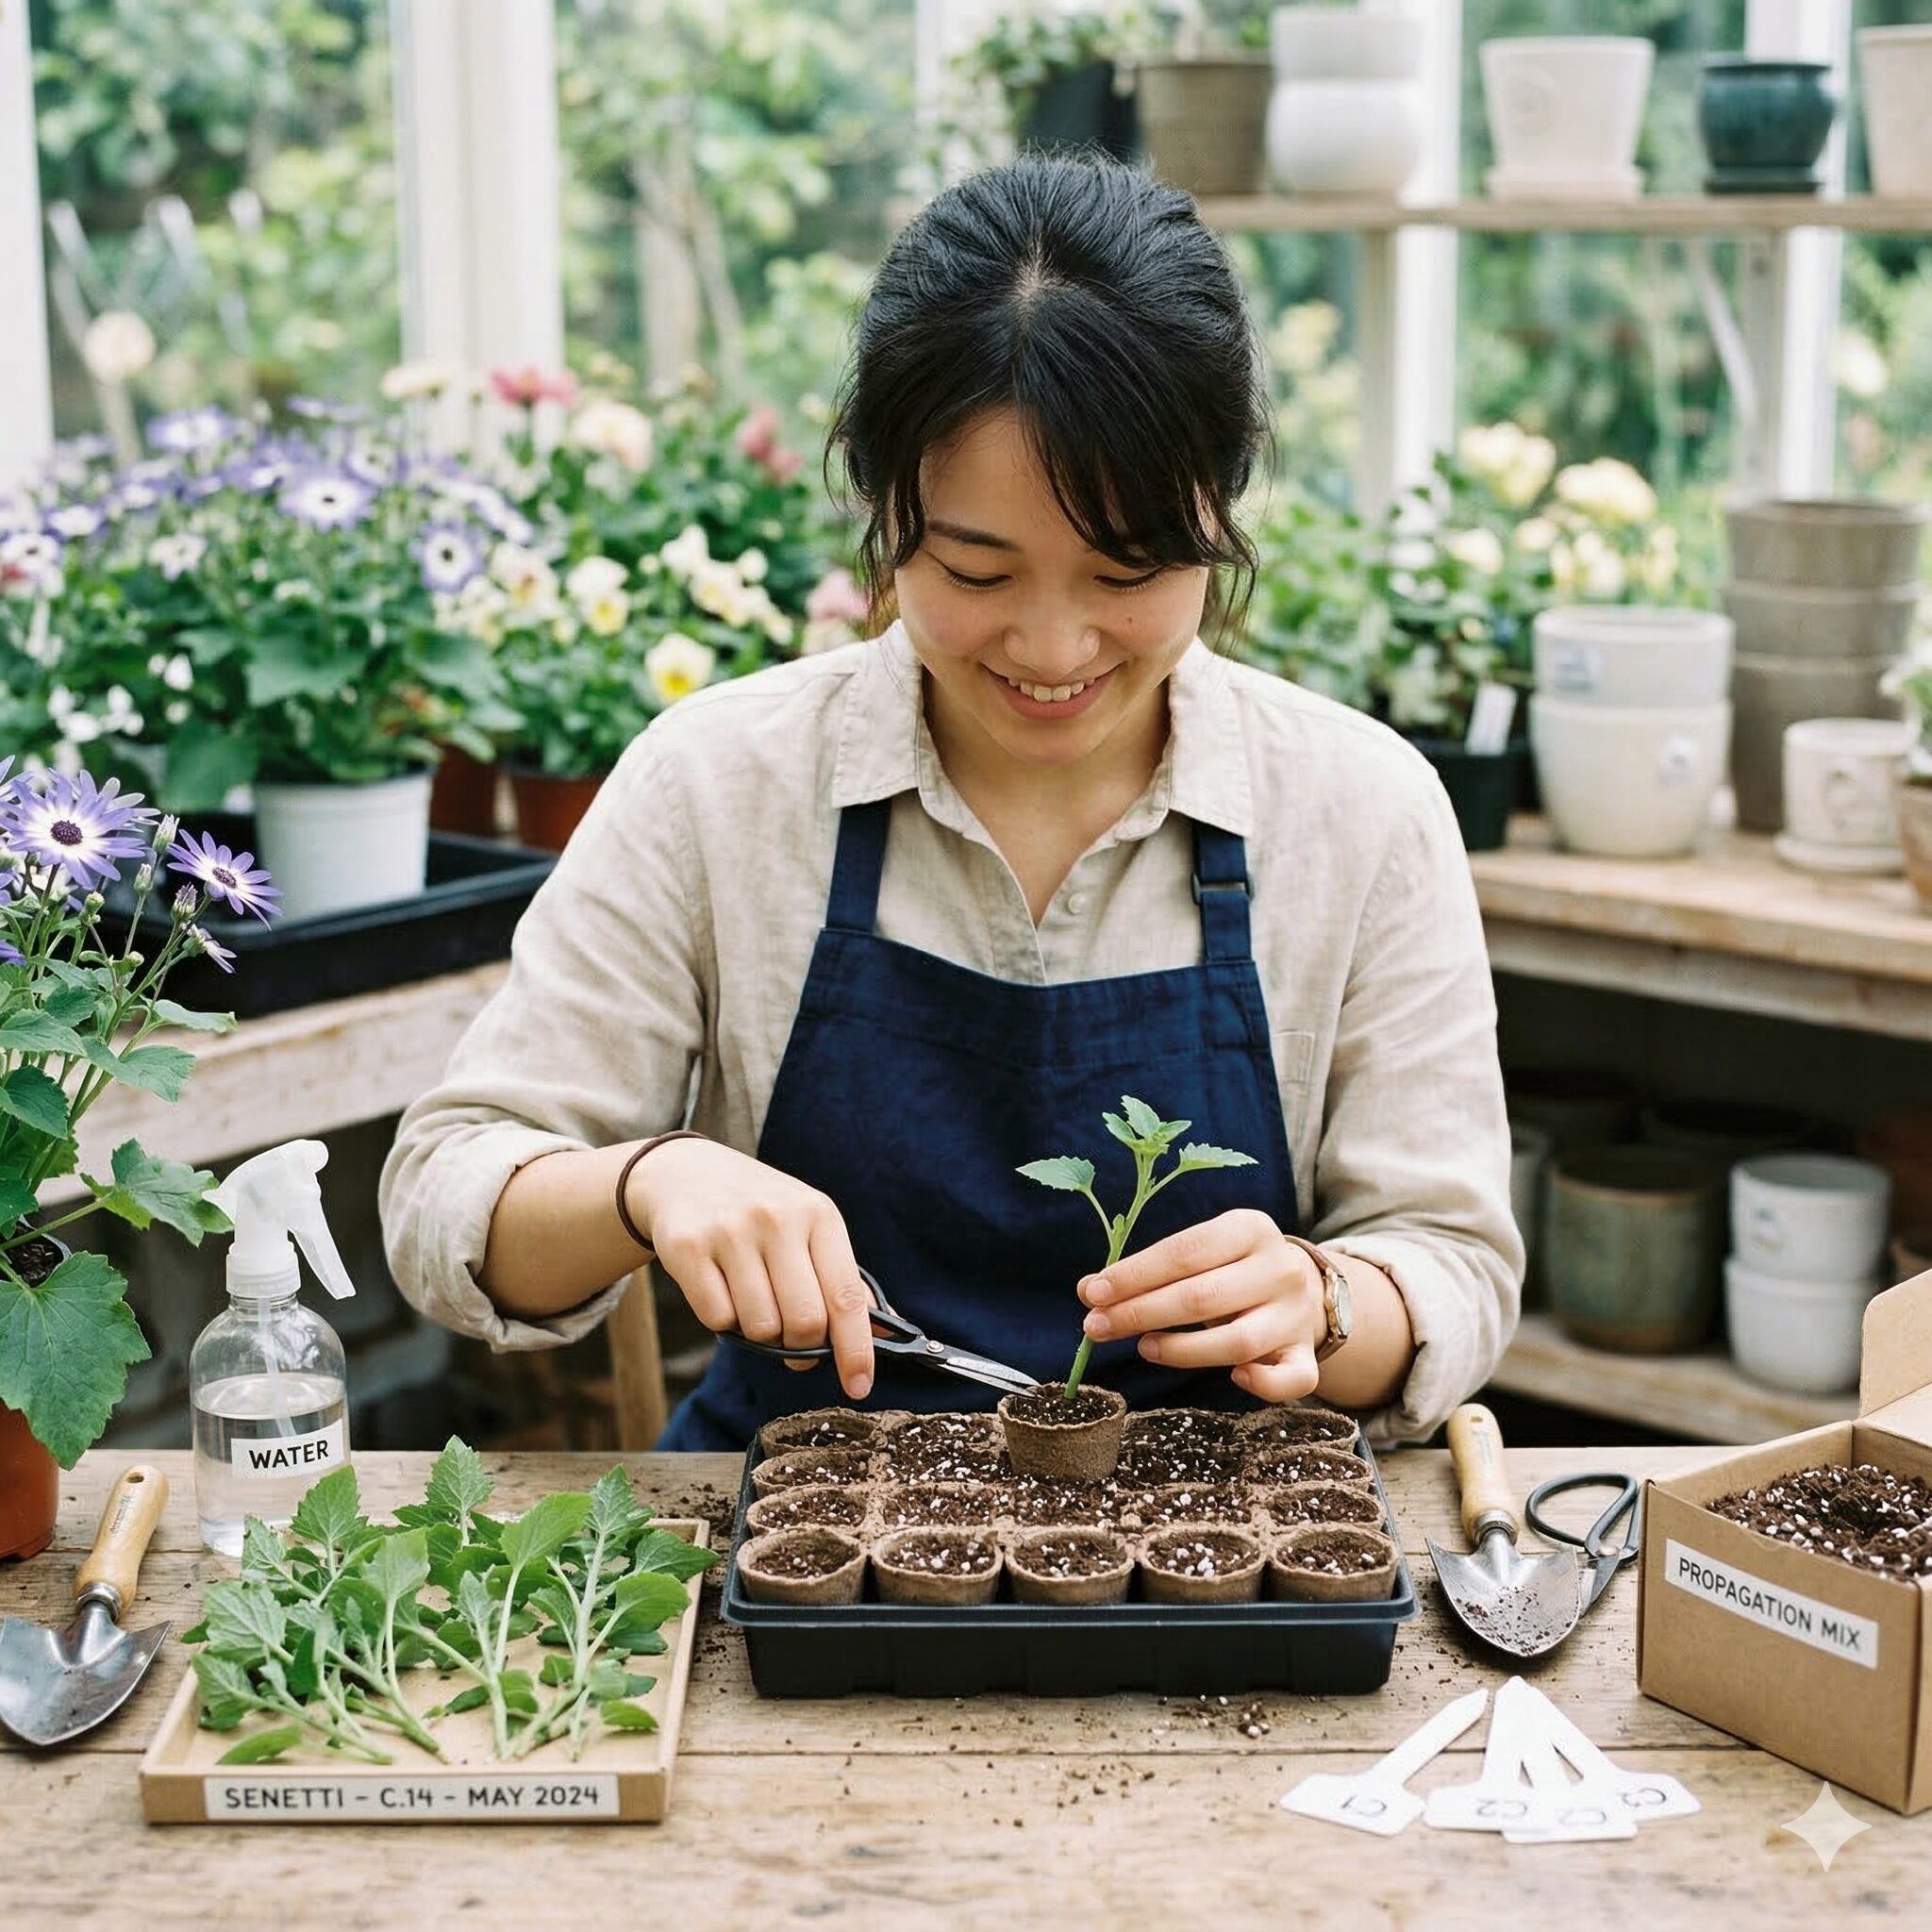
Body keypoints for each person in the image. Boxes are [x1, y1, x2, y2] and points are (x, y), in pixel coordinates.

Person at [378, 153, 1523, 1453]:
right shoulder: (724, 781)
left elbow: (1454, 1264)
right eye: (978, 570)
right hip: (799, 1547)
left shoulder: (1358, 811)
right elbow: (443, 1198)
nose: (1051, 645)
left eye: (1126, 570)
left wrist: (1321, 1304)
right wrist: (647, 1184)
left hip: (1220, 1555)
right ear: (885, 513)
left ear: (1222, 510)